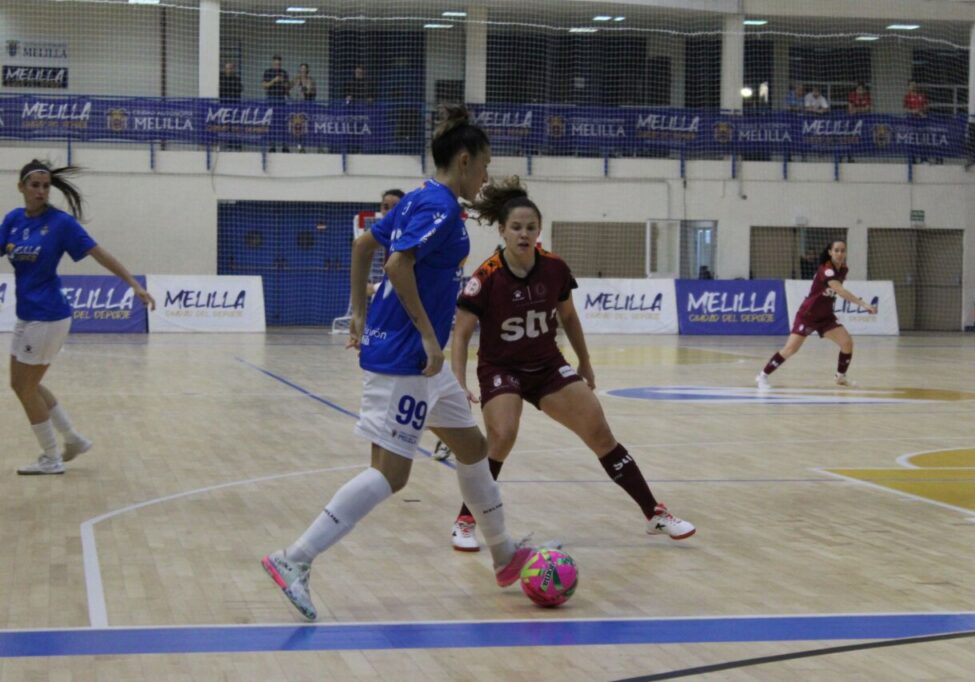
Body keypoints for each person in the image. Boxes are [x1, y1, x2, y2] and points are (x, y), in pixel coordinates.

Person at [261, 105, 535, 621]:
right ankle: (292, 559)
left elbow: (365, 242)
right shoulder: (437, 208)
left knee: (473, 447)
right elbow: (394, 262)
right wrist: (431, 339)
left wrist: (358, 311)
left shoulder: (418, 198)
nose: (485, 177)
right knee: (391, 475)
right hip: (409, 359)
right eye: (484, 166)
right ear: (464, 158)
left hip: (413, 358)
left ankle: (503, 555)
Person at [446, 177, 695, 552]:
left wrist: (586, 363)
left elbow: (570, 318)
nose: (524, 234)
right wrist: (457, 381)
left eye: (531, 227)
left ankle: (654, 513)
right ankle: (466, 519)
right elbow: (461, 335)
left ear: (539, 230)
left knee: (600, 433)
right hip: (501, 368)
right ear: (502, 231)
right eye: (516, 227)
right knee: (502, 437)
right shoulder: (486, 277)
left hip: (547, 365)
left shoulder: (554, 268)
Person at [2, 160, 156, 475]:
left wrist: (133, 284)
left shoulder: (61, 224)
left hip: (49, 316)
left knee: (27, 389)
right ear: (21, 187)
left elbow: (100, 253)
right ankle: (73, 439)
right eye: (35, 185)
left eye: (46, 186)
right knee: (20, 384)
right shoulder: (13, 220)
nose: (41, 191)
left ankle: (51, 458)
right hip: (26, 315)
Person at [756, 240, 877, 389]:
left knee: (847, 343)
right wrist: (864, 304)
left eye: (842, 251)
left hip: (826, 316)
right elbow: (840, 290)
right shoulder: (826, 270)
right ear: (830, 252)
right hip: (808, 315)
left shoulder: (843, 269)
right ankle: (762, 376)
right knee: (791, 349)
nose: (840, 254)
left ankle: (840, 377)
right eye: (836, 250)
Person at [262, 55, 290, 152]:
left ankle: (285, 146)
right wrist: (273, 81)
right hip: (271, 100)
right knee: (271, 123)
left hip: (281, 100)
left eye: (279, 64)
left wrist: (282, 82)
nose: (277, 65)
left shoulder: (284, 73)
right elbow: (264, 85)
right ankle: (272, 146)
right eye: (275, 64)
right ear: (272, 63)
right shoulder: (268, 72)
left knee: (282, 123)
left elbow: (288, 88)